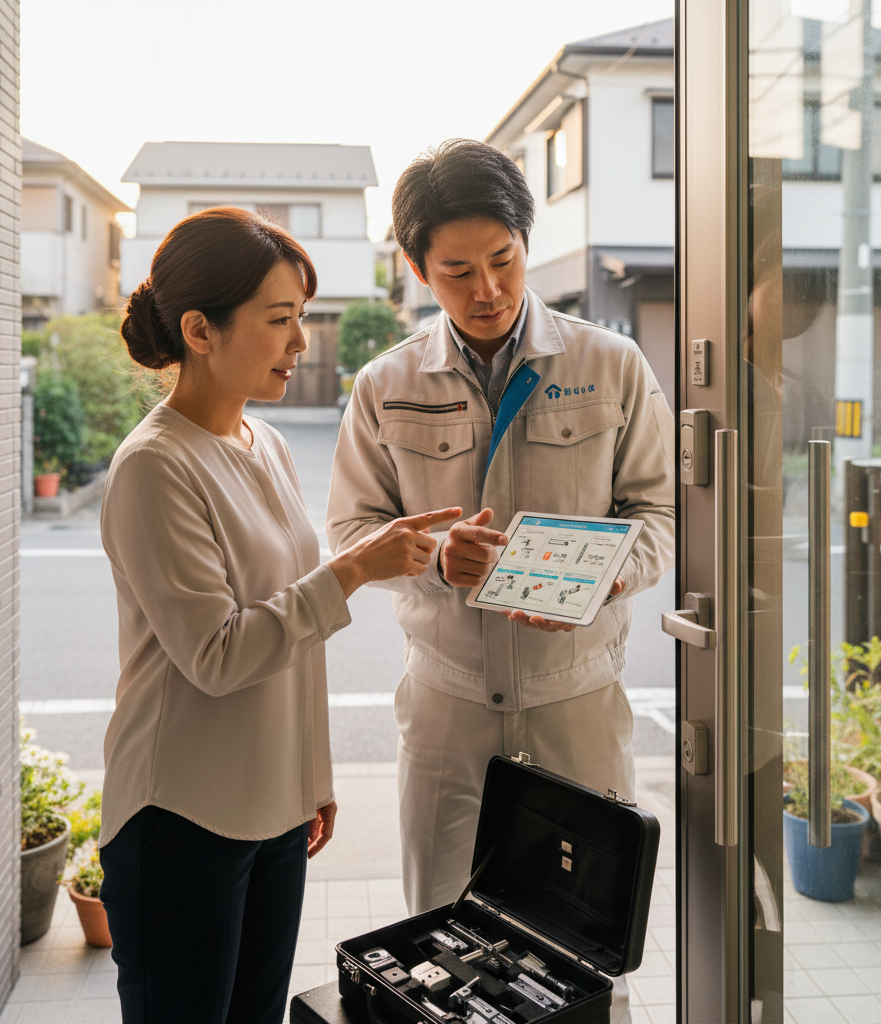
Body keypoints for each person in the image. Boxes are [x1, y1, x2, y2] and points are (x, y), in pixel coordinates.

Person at [326, 138, 674, 992]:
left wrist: (601, 579)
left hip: (577, 706)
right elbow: (347, 533)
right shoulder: (386, 383)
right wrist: (434, 555)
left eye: (502, 261)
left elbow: (660, 518)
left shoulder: (610, 365)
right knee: (439, 959)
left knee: (582, 954)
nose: (485, 290)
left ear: (526, 242)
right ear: (415, 268)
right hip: (447, 715)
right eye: (455, 271)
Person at [98, 206, 459, 1024]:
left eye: (301, 318)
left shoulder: (267, 443)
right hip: (179, 814)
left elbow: (293, 633)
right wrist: (356, 569)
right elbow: (218, 654)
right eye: (280, 320)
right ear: (200, 329)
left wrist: (310, 775)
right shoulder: (154, 468)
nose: (302, 343)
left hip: (272, 807)